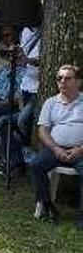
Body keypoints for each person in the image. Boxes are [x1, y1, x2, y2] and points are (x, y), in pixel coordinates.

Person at [29, 65, 83, 229]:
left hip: (80, 150)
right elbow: (43, 130)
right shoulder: (51, 102)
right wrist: (55, 148)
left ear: (79, 82)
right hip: (56, 148)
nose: (62, 82)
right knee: (36, 164)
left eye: (67, 78)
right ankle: (46, 205)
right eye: (59, 78)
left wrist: (80, 149)